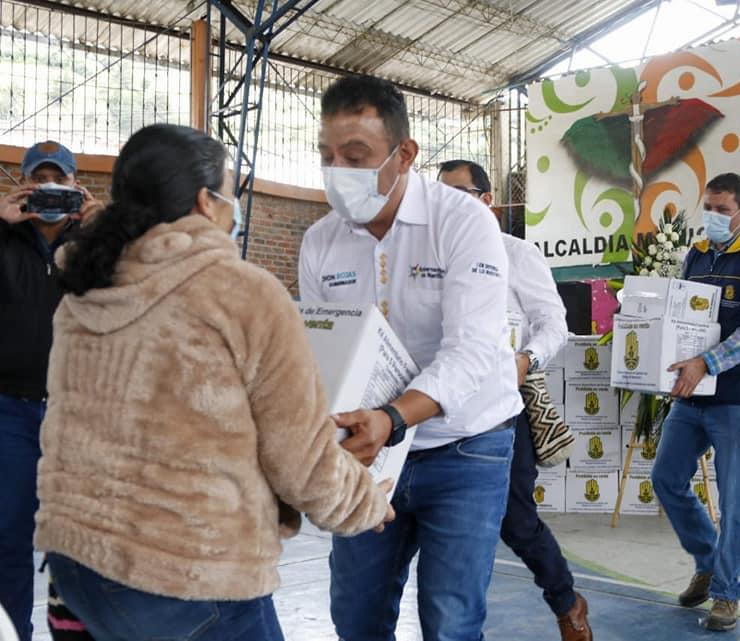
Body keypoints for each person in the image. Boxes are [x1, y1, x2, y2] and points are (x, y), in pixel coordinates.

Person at [34, 123, 393, 641]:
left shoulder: (84, 291)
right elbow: (301, 461)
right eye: (229, 192)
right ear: (207, 201)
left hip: (77, 571)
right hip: (189, 573)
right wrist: (364, 503)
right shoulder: (242, 294)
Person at [298, 76, 522, 641]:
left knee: (450, 621)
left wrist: (393, 418)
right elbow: (324, 355)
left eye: (356, 157)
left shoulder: (463, 221)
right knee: (356, 615)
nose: (337, 171)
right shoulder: (321, 241)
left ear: (404, 154)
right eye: (327, 156)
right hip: (367, 451)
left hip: (466, 446)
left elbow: (472, 349)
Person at [438, 160, 591, 641]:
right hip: (436, 409)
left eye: (459, 193)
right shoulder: (427, 256)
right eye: (439, 194)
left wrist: (528, 358)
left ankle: (566, 601)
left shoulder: (516, 254)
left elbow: (554, 324)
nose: (447, 204)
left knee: (516, 519)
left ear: (487, 200)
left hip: (503, 407)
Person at [650, 172, 740, 631]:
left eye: (723, 210)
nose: (713, 216)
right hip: (693, 392)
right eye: (708, 208)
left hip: (739, 394)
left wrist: (705, 363)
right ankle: (708, 562)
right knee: (666, 477)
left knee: (734, 497)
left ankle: (727, 594)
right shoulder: (697, 253)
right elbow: (682, 320)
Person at [0, 140, 102, 641]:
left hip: (77, 414)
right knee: (6, 540)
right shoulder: (4, 237)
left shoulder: (95, 244)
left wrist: (106, 229)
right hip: (8, 411)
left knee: (79, 542)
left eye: (58, 181)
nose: (49, 190)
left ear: (76, 186)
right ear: (22, 187)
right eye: (38, 181)